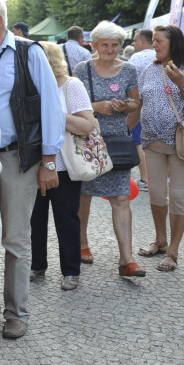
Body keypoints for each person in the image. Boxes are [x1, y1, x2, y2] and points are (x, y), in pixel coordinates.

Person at [0, 0, 65, 340]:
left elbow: (51, 106)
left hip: (16, 157)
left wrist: (49, 160)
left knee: (16, 238)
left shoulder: (28, 53)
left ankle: (16, 313)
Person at [134, 25, 184, 272]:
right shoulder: (149, 69)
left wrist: (182, 83)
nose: (153, 45)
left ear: (173, 42)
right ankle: (160, 239)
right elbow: (138, 105)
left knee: (178, 196)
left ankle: (173, 250)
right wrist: (123, 132)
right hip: (152, 141)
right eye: (153, 41)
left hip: (182, 143)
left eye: (158, 41)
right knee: (156, 194)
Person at [73, 21, 145, 277]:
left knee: (122, 197)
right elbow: (70, 102)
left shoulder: (129, 69)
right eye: (105, 45)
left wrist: (126, 107)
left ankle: (127, 258)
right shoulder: (82, 69)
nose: (111, 49)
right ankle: (82, 244)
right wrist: (96, 106)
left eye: (115, 45)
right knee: (83, 196)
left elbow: (137, 102)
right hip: (87, 139)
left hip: (116, 141)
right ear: (94, 45)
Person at [30, 41, 95, 290]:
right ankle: (37, 264)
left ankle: (71, 270)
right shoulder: (29, 86)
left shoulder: (71, 85)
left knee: (66, 218)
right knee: (34, 219)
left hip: (65, 165)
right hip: (33, 165)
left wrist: (51, 112)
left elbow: (87, 125)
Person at [128, 29, 156, 189]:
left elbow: (129, 83)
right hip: (159, 106)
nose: (133, 43)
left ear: (143, 41)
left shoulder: (136, 58)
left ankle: (145, 179)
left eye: (135, 40)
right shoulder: (163, 57)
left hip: (139, 105)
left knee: (139, 142)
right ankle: (161, 178)